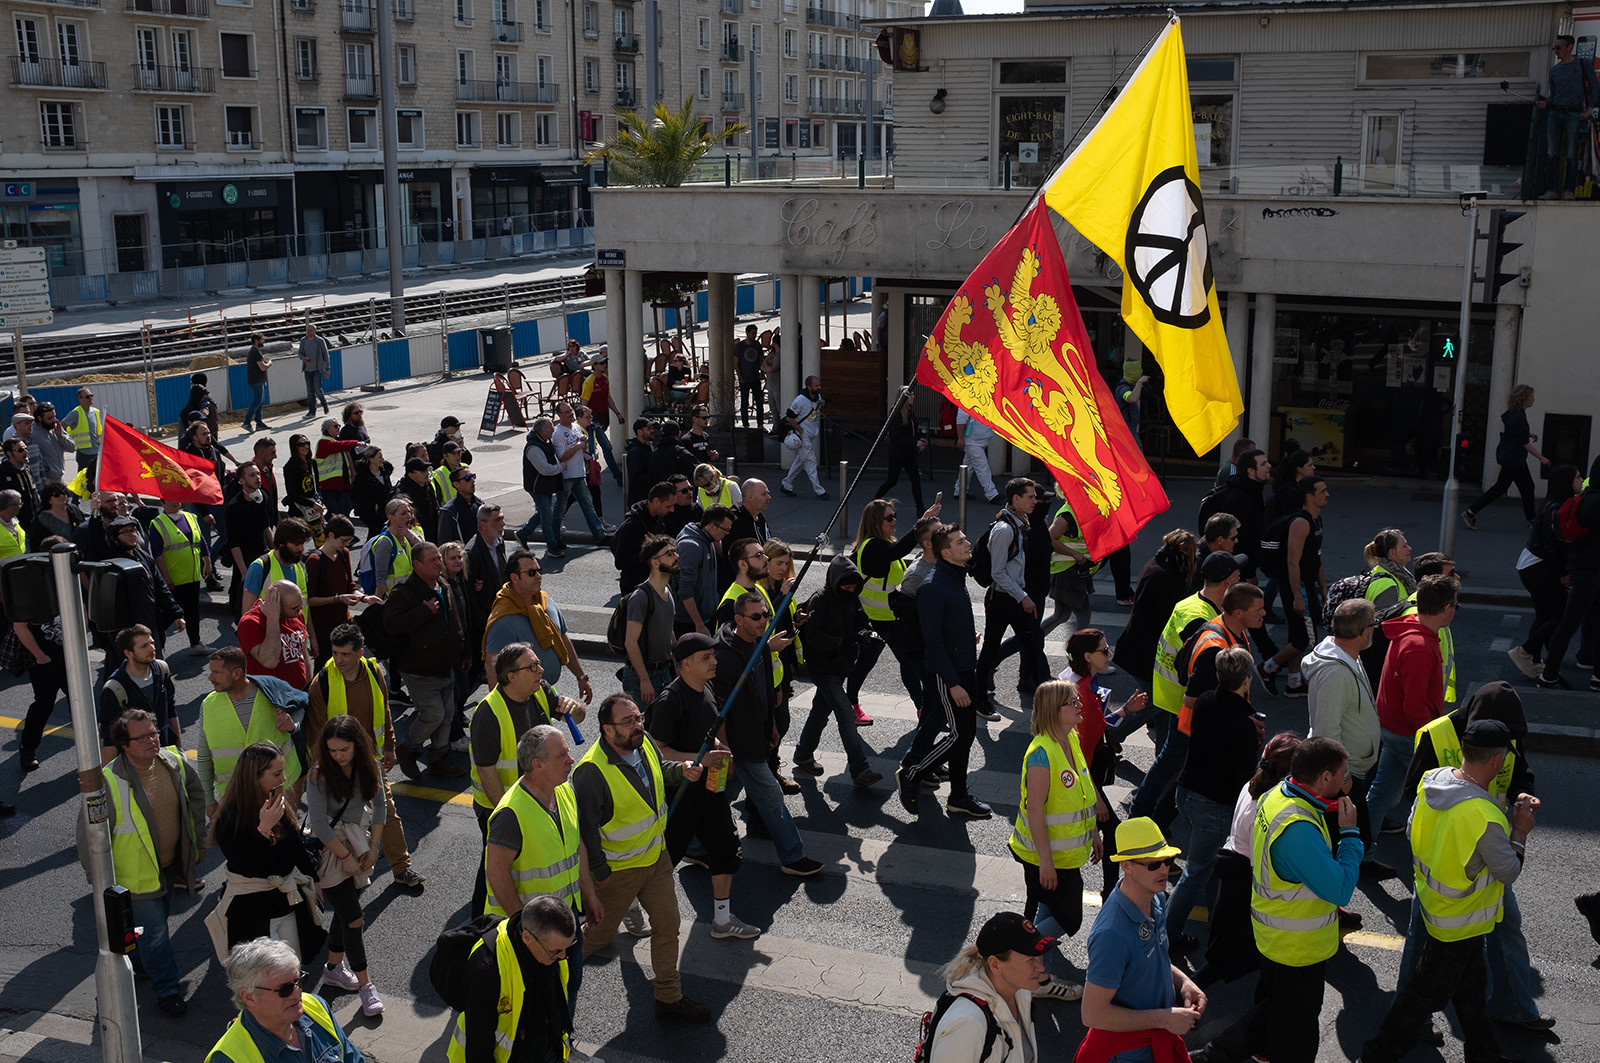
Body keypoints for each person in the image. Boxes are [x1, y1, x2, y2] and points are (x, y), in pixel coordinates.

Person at [1363, 719, 1539, 1063]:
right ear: (1498, 761)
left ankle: (1484, 1053)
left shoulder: (1434, 782)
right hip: (1459, 922)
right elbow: (1509, 871)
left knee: (1471, 989)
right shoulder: (1484, 814)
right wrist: (1520, 831)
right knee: (1419, 999)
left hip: (1438, 909)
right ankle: (1375, 1055)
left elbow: (1413, 832)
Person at [1190, 737, 1360, 1063]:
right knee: (1296, 1036)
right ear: (1325, 777)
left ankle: (1210, 1056)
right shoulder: (1297, 829)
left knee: (1273, 1013)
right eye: (1342, 772)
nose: (1346, 778)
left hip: (1274, 939)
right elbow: (1340, 889)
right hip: (1297, 948)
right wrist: (1350, 834)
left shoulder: (1276, 795)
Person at [1397, 681, 1550, 1030]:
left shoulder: (1504, 730)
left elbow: (1520, 774)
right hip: (1447, 857)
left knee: (1505, 926)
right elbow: (1413, 791)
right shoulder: (1436, 735)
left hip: (1490, 848)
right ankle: (1409, 1020)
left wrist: (1524, 794)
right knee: (1422, 936)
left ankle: (1512, 1006)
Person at [572, 693, 712, 1022]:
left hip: (655, 858)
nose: (638, 726)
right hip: (618, 872)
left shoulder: (643, 741)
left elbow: (657, 771)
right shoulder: (591, 772)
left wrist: (680, 770)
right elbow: (586, 830)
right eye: (628, 722)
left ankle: (668, 996)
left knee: (668, 925)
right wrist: (598, 871)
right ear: (607, 730)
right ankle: (544, 974)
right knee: (597, 937)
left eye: (638, 718)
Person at [92, 709, 206, 1017]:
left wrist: (198, 837)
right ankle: (167, 989)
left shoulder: (174, 761)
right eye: (141, 737)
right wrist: (98, 878)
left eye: (154, 733)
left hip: (168, 866)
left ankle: (141, 964)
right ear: (124, 745)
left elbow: (196, 792)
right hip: (136, 876)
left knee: (152, 927)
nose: (152, 740)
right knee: (156, 932)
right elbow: (88, 836)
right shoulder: (108, 781)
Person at [648, 632, 762, 939]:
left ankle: (722, 920)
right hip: (681, 793)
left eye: (713, 656)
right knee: (663, 859)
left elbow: (705, 731)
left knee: (726, 847)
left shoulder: (706, 687)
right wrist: (701, 759)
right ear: (686, 664)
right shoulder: (671, 700)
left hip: (710, 789)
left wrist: (718, 747)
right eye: (706, 658)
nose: (714, 662)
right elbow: (659, 750)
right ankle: (632, 905)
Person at [484, 725, 603, 1009]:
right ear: (537, 765)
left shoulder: (564, 791)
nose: (571, 760)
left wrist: (589, 895)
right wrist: (524, 929)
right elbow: (496, 873)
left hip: (565, 919)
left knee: (569, 987)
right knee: (536, 1003)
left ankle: (563, 1044)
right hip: (533, 933)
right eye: (562, 755)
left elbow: (577, 848)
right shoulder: (511, 813)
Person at [306, 623, 426, 891]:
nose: (338, 660)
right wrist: (324, 767)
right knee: (335, 821)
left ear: (360, 652)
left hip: (369, 760)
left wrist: (390, 747)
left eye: (345, 654)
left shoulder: (374, 672)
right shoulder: (322, 683)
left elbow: (383, 710)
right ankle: (332, 874)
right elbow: (315, 732)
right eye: (335, 653)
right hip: (335, 764)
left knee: (387, 812)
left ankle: (401, 868)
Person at [1076, 818, 1206, 1063]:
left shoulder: (1155, 898)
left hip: (1156, 1039)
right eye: (1153, 864)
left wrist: (1184, 982)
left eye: (1167, 861)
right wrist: (1164, 1019)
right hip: (1131, 1054)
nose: (1164, 870)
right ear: (1126, 865)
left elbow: (1153, 959)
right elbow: (1092, 1014)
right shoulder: (1111, 934)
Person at [468, 641, 583, 914]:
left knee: (519, 861)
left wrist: (574, 706)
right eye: (532, 667)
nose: (540, 670)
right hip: (503, 807)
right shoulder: (488, 713)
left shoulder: (540, 690)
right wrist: (507, 815)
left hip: (538, 796)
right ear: (511, 677)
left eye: (538, 664)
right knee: (498, 863)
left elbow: (579, 715)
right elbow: (487, 772)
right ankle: (484, 925)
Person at [713, 591, 823, 876]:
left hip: (757, 734)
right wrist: (724, 750)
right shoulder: (727, 656)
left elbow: (762, 688)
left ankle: (697, 847)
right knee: (771, 794)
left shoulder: (759, 641)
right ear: (738, 619)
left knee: (719, 796)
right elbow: (720, 710)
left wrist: (771, 724)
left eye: (766, 615)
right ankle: (792, 857)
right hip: (739, 742)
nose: (764, 620)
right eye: (757, 616)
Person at [1007, 679, 1103, 1002]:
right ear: (1053, 710)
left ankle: (1038, 976)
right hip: (1043, 857)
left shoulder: (1070, 739)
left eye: (1077, 700)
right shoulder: (1040, 755)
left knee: (1046, 909)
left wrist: (1094, 833)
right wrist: (1045, 862)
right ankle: (1017, 960)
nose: (1079, 706)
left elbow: (1080, 792)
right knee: (1068, 917)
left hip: (1065, 856)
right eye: (1072, 703)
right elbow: (1035, 811)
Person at [1132, 550, 1241, 824]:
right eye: (1238, 576)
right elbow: (1199, 671)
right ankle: (1144, 812)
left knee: (1173, 759)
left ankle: (1150, 811)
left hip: (1174, 695)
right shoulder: (1201, 617)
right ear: (1227, 582)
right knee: (1173, 761)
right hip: (1183, 701)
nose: (1242, 579)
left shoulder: (1194, 603)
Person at [1166, 646, 1261, 940]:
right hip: (1213, 804)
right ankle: (1167, 935)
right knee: (1195, 872)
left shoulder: (1206, 700)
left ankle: (1215, 927)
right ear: (1246, 680)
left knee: (1208, 866)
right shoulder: (1244, 725)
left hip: (1187, 793)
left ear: (1218, 674)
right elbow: (1244, 777)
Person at [1192, 732, 1300, 989]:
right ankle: (1185, 994)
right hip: (1246, 877)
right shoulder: (1273, 804)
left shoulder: (1252, 785)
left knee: (1227, 941)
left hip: (1233, 864)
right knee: (1233, 948)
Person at [899, 524, 991, 818]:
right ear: (945, 552)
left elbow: (948, 628)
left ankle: (959, 796)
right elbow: (933, 643)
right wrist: (953, 683)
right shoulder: (932, 586)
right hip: (949, 673)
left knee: (966, 735)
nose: (967, 543)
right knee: (958, 736)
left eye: (966, 538)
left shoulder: (955, 577)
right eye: (960, 541)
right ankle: (912, 772)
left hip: (965, 667)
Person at [304, 715, 388, 1016]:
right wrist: (345, 857)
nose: (337, 756)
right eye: (332, 750)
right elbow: (318, 825)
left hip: (360, 843)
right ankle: (367, 987)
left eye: (343, 750)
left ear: (357, 745)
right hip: (332, 852)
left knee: (343, 914)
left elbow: (380, 805)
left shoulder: (369, 766)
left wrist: (374, 847)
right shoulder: (318, 776)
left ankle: (333, 968)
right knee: (354, 918)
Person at [1364, 573, 1458, 838]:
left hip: (1393, 728)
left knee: (1381, 793)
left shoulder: (1411, 630)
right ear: (1446, 608)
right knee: (1440, 793)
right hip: (1409, 733)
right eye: (1455, 605)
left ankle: (1363, 852)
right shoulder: (1419, 646)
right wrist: (1432, 739)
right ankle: (1433, 847)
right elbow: (1415, 706)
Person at [211, 743, 325, 955]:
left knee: (293, 967)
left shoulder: (276, 804)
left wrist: (314, 880)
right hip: (253, 912)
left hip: (285, 906)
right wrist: (263, 830)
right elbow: (247, 866)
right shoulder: (229, 818)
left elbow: (296, 848)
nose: (283, 779)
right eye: (277, 773)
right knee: (266, 978)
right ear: (255, 777)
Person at [1304, 598, 1388, 873]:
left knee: (1352, 839)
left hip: (1350, 769)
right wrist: (1346, 779)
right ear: (1365, 632)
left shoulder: (1348, 655)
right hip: (1343, 774)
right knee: (1344, 842)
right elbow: (1327, 730)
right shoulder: (1335, 673)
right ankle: (1339, 897)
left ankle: (1357, 870)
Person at [449, 896, 577, 1063]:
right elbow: (479, 1049)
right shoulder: (486, 969)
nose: (563, 957)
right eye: (556, 951)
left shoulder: (548, 951)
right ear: (527, 938)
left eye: (568, 946)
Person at [792, 558, 882, 788]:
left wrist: (865, 633)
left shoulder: (851, 598)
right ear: (835, 583)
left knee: (820, 712)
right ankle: (860, 769)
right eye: (847, 587)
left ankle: (803, 753)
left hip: (841, 666)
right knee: (845, 712)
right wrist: (843, 642)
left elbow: (863, 620)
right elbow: (814, 637)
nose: (850, 592)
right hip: (822, 667)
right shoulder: (820, 600)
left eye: (854, 588)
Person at [849, 498, 940, 727]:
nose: (894, 520)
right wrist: (921, 524)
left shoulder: (885, 543)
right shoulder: (871, 547)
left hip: (895, 620)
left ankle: (921, 709)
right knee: (864, 665)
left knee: (909, 663)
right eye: (889, 518)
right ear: (875, 522)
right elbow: (898, 550)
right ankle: (851, 706)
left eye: (894, 515)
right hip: (874, 623)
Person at [386, 542, 469, 780]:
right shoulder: (404, 592)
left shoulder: (442, 584)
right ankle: (408, 748)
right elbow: (391, 624)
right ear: (417, 564)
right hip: (419, 669)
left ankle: (439, 758)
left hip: (446, 665)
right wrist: (423, 612)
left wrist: (465, 652)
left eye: (438, 559)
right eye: (432, 560)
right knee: (433, 714)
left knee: (448, 714)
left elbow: (457, 620)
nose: (438, 563)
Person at [925, 912, 1052, 1063]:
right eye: (1030, 959)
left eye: (1040, 956)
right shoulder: (967, 1025)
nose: (1041, 967)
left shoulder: (1020, 992)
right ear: (995, 965)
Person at [209, 938, 361, 1063]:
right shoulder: (229, 1059)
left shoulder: (316, 1006)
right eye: (284, 989)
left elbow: (352, 1059)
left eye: (299, 981)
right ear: (249, 997)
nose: (297, 993)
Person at [197, 646, 306, 814]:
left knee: (284, 838)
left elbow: (302, 703)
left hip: (282, 788)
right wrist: (209, 800)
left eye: (216, 673)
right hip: (236, 796)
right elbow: (204, 756)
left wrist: (293, 726)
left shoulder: (271, 692)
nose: (210, 678)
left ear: (237, 674)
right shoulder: (208, 706)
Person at [976, 478, 1050, 697]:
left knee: (1033, 644)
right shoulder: (1005, 530)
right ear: (1016, 499)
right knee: (990, 649)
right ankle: (979, 697)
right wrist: (1023, 597)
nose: (1035, 501)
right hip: (1002, 599)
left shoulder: (1020, 523)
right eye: (1030, 497)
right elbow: (997, 573)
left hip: (1016, 597)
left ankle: (1045, 695)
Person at [482, 549, 591, 696]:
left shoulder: (547, 602)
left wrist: (581, 676)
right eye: (531, 573)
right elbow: (492, 665)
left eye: (540, 571)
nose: (539, 576)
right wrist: (499, 703)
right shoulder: (504, 618)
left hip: (545, 691)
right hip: (522, 697)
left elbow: (563, 638)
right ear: (514, 578)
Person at [1259, 476, 1331, 698]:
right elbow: (1293, 562)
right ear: (1309, 496)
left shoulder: (1316, 520)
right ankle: (1267, 667)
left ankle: (1293, 683)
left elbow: (1315, 557)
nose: (1327, 494)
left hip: (1308, 585)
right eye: (1322, 491)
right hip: (1296, 586)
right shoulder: (1301, 523)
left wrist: (1322, 586)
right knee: (1305, 639)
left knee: (1296, 635)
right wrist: (1298, 597)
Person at [1536, 453, 1600, 689]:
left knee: (1576, 621)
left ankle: (1591, 673)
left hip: (1582, 566)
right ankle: (1550, 673)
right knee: (1570, 622)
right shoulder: (1597, 502)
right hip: (1591, 570)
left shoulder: (1585, 498)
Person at [1114, 529, 1199, 697]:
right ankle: (1115, 722)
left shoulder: (1157, 563)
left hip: (1137, 645)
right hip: (1146, 652)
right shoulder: (1169, 578)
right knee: (1154, 705)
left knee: (1154, 706)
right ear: (1183, 553)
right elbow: (1168, 618)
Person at [1464, 384, 1547, 528]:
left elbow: (1513, 430)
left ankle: (1532, 519)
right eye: (1531, 397)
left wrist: (1528, 433)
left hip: (1512, 458)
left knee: (1515, 487)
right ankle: (1532, 520)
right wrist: (1541, 457)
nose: (1533, 399)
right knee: (1518, 488)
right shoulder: (1519, 417)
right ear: (1524, 399)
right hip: (1515, 460)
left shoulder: (1513, 413)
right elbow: (1524, 443)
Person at [96, 624, 180, 763]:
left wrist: (179, 750)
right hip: (137, 763)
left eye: (152, 643)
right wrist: (109, 777)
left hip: (166, 753)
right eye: (144, 646)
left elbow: (171, 709)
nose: (152, 649)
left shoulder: (161, 669)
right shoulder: (115, 689)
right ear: (128, 653)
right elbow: (109, 737)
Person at [106, 515, 187, 653]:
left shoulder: (143, 556)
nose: (132, 535)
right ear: (114, 539)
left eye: (133, 530)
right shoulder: (111, 563)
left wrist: (176, 614)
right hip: (129, 630)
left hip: (151, 624)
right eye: (125, 532)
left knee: (156, 664)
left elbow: (160, 588)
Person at [1536, 34, 1598, 198]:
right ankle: (1551, 189)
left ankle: (1569, 190)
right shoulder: (1555, 70)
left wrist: (1589, 109)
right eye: (1554, 48)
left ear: (1569, 47)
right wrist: (1546, 103)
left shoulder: (1582, 65)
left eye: (1559, 48)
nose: (1556, 51)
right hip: (1555, 113)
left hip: (1573, 114)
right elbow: (1554, 94)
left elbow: (1594, 87)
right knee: (1551, 153)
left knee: (1571, 154)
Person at [148, 497, 211, 657]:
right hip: (174, 579)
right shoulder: (158, 523)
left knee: (192, 612)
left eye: (176, 499)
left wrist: (207, 562)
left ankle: (195, 644)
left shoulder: (190, 517)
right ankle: (150, 642)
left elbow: (201, 541)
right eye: (169, 500)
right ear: (162, 504)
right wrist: (166, 577)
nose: (175, 502)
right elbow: (157, 554)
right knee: (169, 614)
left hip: (192, 575)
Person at [621, 535, 678, 706]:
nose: (676, 557)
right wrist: (644, 680)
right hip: (643, 676)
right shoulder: (641, 597)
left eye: (675, 552)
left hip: (665, 671)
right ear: (654, 562)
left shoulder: (667, 590)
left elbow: (668, 629)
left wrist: (676, 662)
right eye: (669, 554)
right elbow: (630, 642)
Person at [238, 579, 315, 691]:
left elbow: (302, 652)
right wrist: (273, 618)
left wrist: (308, 687)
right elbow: (270, 661)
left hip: (297, 695)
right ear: (277, 606)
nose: (300, 609)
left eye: (301, 603)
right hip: (270, 699)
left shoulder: (296, 614)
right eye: (295, 607)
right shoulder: (250, 622)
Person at [552, 401, 609, 547]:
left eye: (570, 411)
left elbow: (582, 450)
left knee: (588, 506)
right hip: (566, 476)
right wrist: (578, 446)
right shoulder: (558, 433)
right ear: (559, 415)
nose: (570, 414)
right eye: (566, 412)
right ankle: (553, 538)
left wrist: (583, 443)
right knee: (559, 508)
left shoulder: (577, 427)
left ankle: (599, 535)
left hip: (580, 474)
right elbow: (562, 457)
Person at [674, 505, 734, 637]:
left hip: (705, 617)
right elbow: (685, 591)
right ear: (712, 526)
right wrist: (699, 624)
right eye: (726, 529)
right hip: (690, 623)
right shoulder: (691, 547)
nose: (728, 533)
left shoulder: (708, 539)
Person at [518, 417, 567, 558]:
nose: (553, 429)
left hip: (545, 486)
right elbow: (545, 469)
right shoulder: (533, 448)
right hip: (537, 487)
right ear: (543, 431)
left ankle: (523, 533)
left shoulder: (544, 441)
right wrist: (561, 467)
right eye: (551, 427)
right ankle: (552, 547)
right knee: (547, 516)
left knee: (542, 512)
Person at [612, 482, 673, 596]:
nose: (672, 510)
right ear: (656, 501)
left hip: (654, 583)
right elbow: (620, 562)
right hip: (635, 588)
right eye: (668, 506)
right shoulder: (632, 526)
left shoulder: (658, 519)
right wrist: (648, 551)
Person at [779, 376, 828, 499]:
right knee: (811, 462)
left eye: (819, 385)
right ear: (809, 386)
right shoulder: (800, 400)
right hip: (803, 434)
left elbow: (814, 413)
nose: (819, 387)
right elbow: (789, 417)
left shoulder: (818, 398)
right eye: (816, 386)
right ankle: (820, 491)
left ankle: (786, 484)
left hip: (810, 433)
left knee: (800, 461)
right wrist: (801, 430)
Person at [874, 402, 927, 513]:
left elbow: (911, 432)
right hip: (897, 454)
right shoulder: (897, 413)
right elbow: (896, 435)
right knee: (892, 480)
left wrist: (920, 439)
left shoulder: (910, 411)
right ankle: (874, 502)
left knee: (915, 479)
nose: (914, 397)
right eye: (911, 394)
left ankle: (920, 508)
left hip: (909, 454)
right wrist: (915, 442)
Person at [366, 499, 422, 601]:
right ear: (391, 517)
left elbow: (425, 553)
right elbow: (380, 578)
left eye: (409, 511)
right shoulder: (385, 542)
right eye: (403, 513)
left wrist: (414, 538)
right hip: (393, 598)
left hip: (408, 594)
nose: (409, 516)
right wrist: (383, 602)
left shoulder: (407, 537)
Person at [313, 419, 361, 519]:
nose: (338, 428)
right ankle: (327, 531)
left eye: (339, 425)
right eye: (335, 426)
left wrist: (352, 473)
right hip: (328, 485)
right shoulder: (323, 441)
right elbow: (338, 446)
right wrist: (356, 443)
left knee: (343, 512)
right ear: (327, 429)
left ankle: (342, 533)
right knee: (334, 512)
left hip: (342, 484)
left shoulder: (337, 441)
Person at [953, 409, 999, 504]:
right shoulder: (967, 399)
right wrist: (960, 439)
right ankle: (992, 494)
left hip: (976, 439)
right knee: (982, 467)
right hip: (972, 441)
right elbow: (961, 420)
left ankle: (959, 491)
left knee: (968, 467)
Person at [396, 456, 442, 546]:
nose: (427, 473)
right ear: (411, 475)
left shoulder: (427, 486)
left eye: (427, 470)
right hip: (414, 538)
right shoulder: (403, 494)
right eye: (423, 471)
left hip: (432, 533)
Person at [60, 386, 103, 478]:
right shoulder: (76, 413)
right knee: (84, 480)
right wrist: (66, 441)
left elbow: (98, 431)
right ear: (80, 399)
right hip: (84, 453)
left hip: (96, 451)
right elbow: (61, 426)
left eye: (91, 395)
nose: (90, 398)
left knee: (97, 479)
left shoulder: (95, 412)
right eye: (87, 396)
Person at [351, 444, 393, 536]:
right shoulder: (362, 476)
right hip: (372, 514)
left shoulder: (385, 471)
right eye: (379, 457)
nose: (382, 459)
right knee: (375, 535)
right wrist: (373, 505)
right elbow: (355, 496)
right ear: (371, 459)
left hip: (386, 511)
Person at [0, 438, 40, 531]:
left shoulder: (27, 469)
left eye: (26, 448)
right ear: (9, 453)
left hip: (34, 521)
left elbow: (34, 491)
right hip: (15, 525)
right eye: (20, 450)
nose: (25, 452)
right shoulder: (3, 473)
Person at [437, 465, 482, 545]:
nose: (472, 480)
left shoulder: (480, 505)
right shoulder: (449, 512)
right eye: (467, 478)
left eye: (473, 476)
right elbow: (445, 544)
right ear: (456, 484)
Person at [734, 323, 764, 425]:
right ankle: (745, 424)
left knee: (759, 402)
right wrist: (740, 377)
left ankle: (760, 424)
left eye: (755, 333)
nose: (754, 335)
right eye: (752, 333)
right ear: (747, 333)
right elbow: (736, 363)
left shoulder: (757, 345)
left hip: (755, 377)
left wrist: (762, 372)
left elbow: (761, 359)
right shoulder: (739, 346)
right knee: (744, 403)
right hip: (744, 378)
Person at [299, 322, 332, 416]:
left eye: (311, 330)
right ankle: (312, 411)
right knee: (310, 392)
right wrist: (303, 358)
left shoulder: (320, 341)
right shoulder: (303, 340)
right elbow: (300, 353)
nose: (309, 332)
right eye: (308, 330)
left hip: (317, 369)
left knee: (317, 389)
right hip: (307, 369)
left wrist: (327, 368)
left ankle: (324, 403)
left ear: (315, 330)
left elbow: (325, 354)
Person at [727, 477, 770, 545]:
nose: (769, 497)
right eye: (764, 494)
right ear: (749, 497)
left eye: (768, 493)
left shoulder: (759, 516)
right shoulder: (735, 521)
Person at [243, 332, 271, 432]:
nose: (263, 341)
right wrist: (269, 363)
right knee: (257, 401)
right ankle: (247, 422)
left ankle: (259, 422)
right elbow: (263, 367)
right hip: (256, 381)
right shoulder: (255, 352)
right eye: (261, 339)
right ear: (256, 341)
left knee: (260, 402)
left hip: (259, 380)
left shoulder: (255, 351)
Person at [624, 418, 655, 506]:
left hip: (649, 498)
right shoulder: (635, 452)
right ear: (639, 432)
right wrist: (655, 478)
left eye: (652, 428)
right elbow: (636, 477)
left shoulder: (649, 447)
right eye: (648, 429)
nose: (652, 431)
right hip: (639, 501)